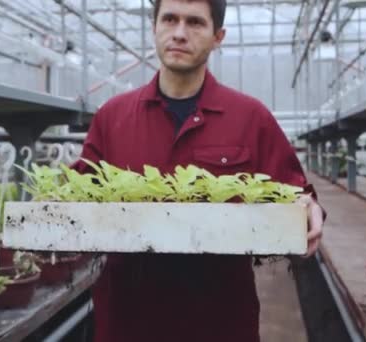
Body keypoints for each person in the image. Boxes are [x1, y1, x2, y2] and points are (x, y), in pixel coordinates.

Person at [73, 0, 325, 341]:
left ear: (217, 36)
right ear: (154, 28)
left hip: (219, 319)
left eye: (194, 22)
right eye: (170, 19)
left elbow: (292, 189)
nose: (179, 33)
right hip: (128, 318)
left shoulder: (250, 117)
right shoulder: (112, 117)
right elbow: (77, 194)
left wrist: (307, 207)